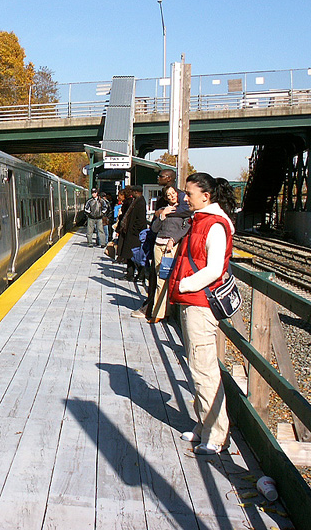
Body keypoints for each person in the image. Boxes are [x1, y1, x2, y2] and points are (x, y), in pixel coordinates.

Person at [168, 172, 237, 455]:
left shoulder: (215, 225)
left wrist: (184, 284)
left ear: (205, 197)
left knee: (204, 370)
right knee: (197, 367)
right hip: (192, 302)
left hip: (200, 303)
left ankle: (217, 434)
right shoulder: (201, 221)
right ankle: (204, 425)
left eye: (189, 193)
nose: (185, 197)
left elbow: (214, 268)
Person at [131, 185, 190, 321]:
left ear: (177, 193)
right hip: (158, 244)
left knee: (164, 279)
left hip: (171, 247)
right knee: (160, 278)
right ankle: (163, 312)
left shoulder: (183, 211)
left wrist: (174, 239)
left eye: (173, 193)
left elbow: (186, 227)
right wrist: (162, 215)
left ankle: (157, 314)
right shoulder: (164, 210)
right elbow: (154, 228)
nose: (171, 196)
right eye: (168, 195)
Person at [116, 185, 147, 280]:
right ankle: (132, 274)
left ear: (137, 192)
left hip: (134, 234)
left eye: (133, 192)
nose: (131, 194)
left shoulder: (140, 202)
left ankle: (138, 274)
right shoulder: (136, 201)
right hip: (131, 233)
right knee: (131, 255)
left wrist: (134, 230)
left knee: (134, 255)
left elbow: (140, 220)